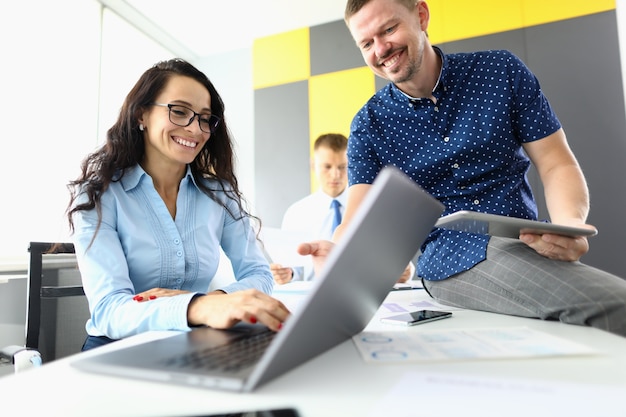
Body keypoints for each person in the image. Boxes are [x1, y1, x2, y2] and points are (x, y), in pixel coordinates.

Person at [298, 0, 626, 336]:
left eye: (389, 29)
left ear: (421, 15)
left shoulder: (501, 71)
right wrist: (338, 256)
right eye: (366, 43)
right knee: (615, 303)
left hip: (527, 242)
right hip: (450, 261)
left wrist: (569, 224)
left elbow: (556, 162)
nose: (381, 49)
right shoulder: (369, 125)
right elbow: (356, 217)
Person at [66, 58, 290, 350]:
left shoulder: (220, 195)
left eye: (205, 118)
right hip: (117, 348)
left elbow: (258, 273)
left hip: (192, 343)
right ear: (141, 115)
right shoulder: (100, 196)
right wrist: (196, 307)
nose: (196, 130)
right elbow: (110, 310)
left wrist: (210, 302)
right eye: (180, 111)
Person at [270, 133, 349, 284]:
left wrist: (407, 271)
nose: (335, 174)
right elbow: (294, 267)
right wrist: (288, 274)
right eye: (327, 166)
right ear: (313, 165)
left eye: (342, 167)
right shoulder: (296, 214)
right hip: (311, 294)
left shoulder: (368, 209)